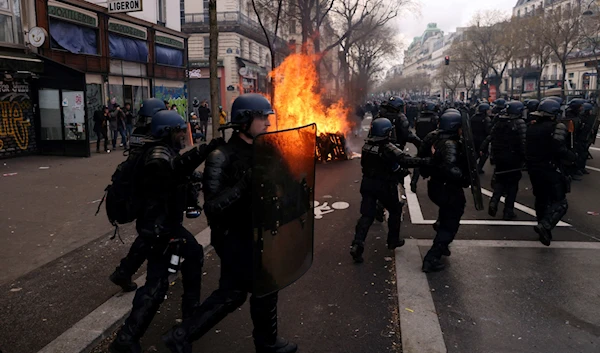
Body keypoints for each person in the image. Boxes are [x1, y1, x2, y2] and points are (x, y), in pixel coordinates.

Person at [162, 93, 297, 353]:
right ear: (245, 120)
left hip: (259, 233)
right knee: (239, 292)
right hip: (235, 237)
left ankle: (183, 336)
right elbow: (212, 207)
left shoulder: (265, 149)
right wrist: (245, 184)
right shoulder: (220, 156)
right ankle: (183, 336)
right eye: (262, 117)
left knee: (248, 290)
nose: (268, 123)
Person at [109, 110, 222, 353]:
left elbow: (184, 172)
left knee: (191, 255)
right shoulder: (157, 157)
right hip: (160, 229)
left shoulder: (163, 153)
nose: (183, 134)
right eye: (179, 130)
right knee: (157, 284)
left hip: (163, 226)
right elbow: (176, 168)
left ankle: (188, 316)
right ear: (166, 132)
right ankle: (126, 339)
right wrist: (207, 148)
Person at [350, 118, 430, 263]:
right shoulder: (386, 147)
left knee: (366, 215)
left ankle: (357, 243)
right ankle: (393, 240)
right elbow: (405, 160)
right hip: (384, 185)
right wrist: (425, 161)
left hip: (367, 184)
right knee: (395, 209)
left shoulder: (367, 146)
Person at [418, 109, 470, 273]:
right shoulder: (450, 144)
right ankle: (432, 258)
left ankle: (443, 238)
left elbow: (421, 155)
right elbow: (450, 167)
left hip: (436, 185)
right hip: (448, 188)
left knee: (447, 214)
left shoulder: (433, 136)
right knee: (451, 222)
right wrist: (463, 178)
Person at [526, 99, 576, 246]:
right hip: (550, 168)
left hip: (534, 169)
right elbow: (558, 148)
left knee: (541, 199)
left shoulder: (531, 127)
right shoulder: (556, 127)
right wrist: (571, 156)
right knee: (560, 203)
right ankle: (545, 225)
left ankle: (544, 230)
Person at [480, 101, 527, 220]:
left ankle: (494, 201)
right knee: (512, 185)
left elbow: (490, 136)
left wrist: (483, 148)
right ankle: (508, 211)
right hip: (513, 158)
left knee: (500, 181)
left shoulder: (500, 121)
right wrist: (526, 157)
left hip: (499, 157)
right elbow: (523, 142)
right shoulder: (519, 123)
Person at [411, 101, 439, 192]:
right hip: (432, 142)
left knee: (419, 161)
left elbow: (416, 128)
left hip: (420, 141)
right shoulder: (435, 118)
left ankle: (414, 181)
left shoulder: (419, 117)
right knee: (435, 162)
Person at [472, 103, 493, 174]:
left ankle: (472, 167)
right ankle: (478, 168)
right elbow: (488, 131)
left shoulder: (473, 117)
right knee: (484, 154)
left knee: (476, 153)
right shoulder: (486, 119)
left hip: (473, 139)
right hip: (483, 139)